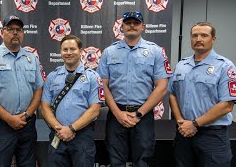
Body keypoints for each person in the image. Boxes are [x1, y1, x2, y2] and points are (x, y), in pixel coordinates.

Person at [96, 11, 172, 167]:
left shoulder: (155, 51)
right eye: (128, 23)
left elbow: (162, 87)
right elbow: (103, 85)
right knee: (115, 160)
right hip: (116, 115)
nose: (132, 26)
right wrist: (118, 113)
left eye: (136, 23)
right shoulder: (109, 52)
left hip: (143, 115)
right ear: (121, 27)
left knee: (143, 160)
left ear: (143, 27)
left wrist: (139, 114)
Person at [0, 15, 43, 167]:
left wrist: (27, 114)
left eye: (18, 29)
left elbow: (38, 89)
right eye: (10, 29)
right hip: (1, 125)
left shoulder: (32, 58)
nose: (15, 33)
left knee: (29, 163)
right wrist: (9, 118)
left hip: (27, 124)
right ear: (2, 32)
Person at [168, 22, 235, 167]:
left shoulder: (225, 66)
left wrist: (195, 124)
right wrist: (180, 121)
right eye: (194, 35)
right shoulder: (182, 65)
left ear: (213, 39)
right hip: (184, 133)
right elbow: (172, 94)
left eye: (204, 35)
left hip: (212, 135)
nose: (198, 39)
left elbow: (227, 105)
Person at [41, 34, 104, 166]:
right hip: (57, 135)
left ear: (80, 51)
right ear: (60, 52)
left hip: (82, 136)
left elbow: (94, 110)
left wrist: (71, 129)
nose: (68, 53)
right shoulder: (52, 77)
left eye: (72, 49)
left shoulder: (93, 77)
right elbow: (45, 107)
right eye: (65, 49)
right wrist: (60, 129)